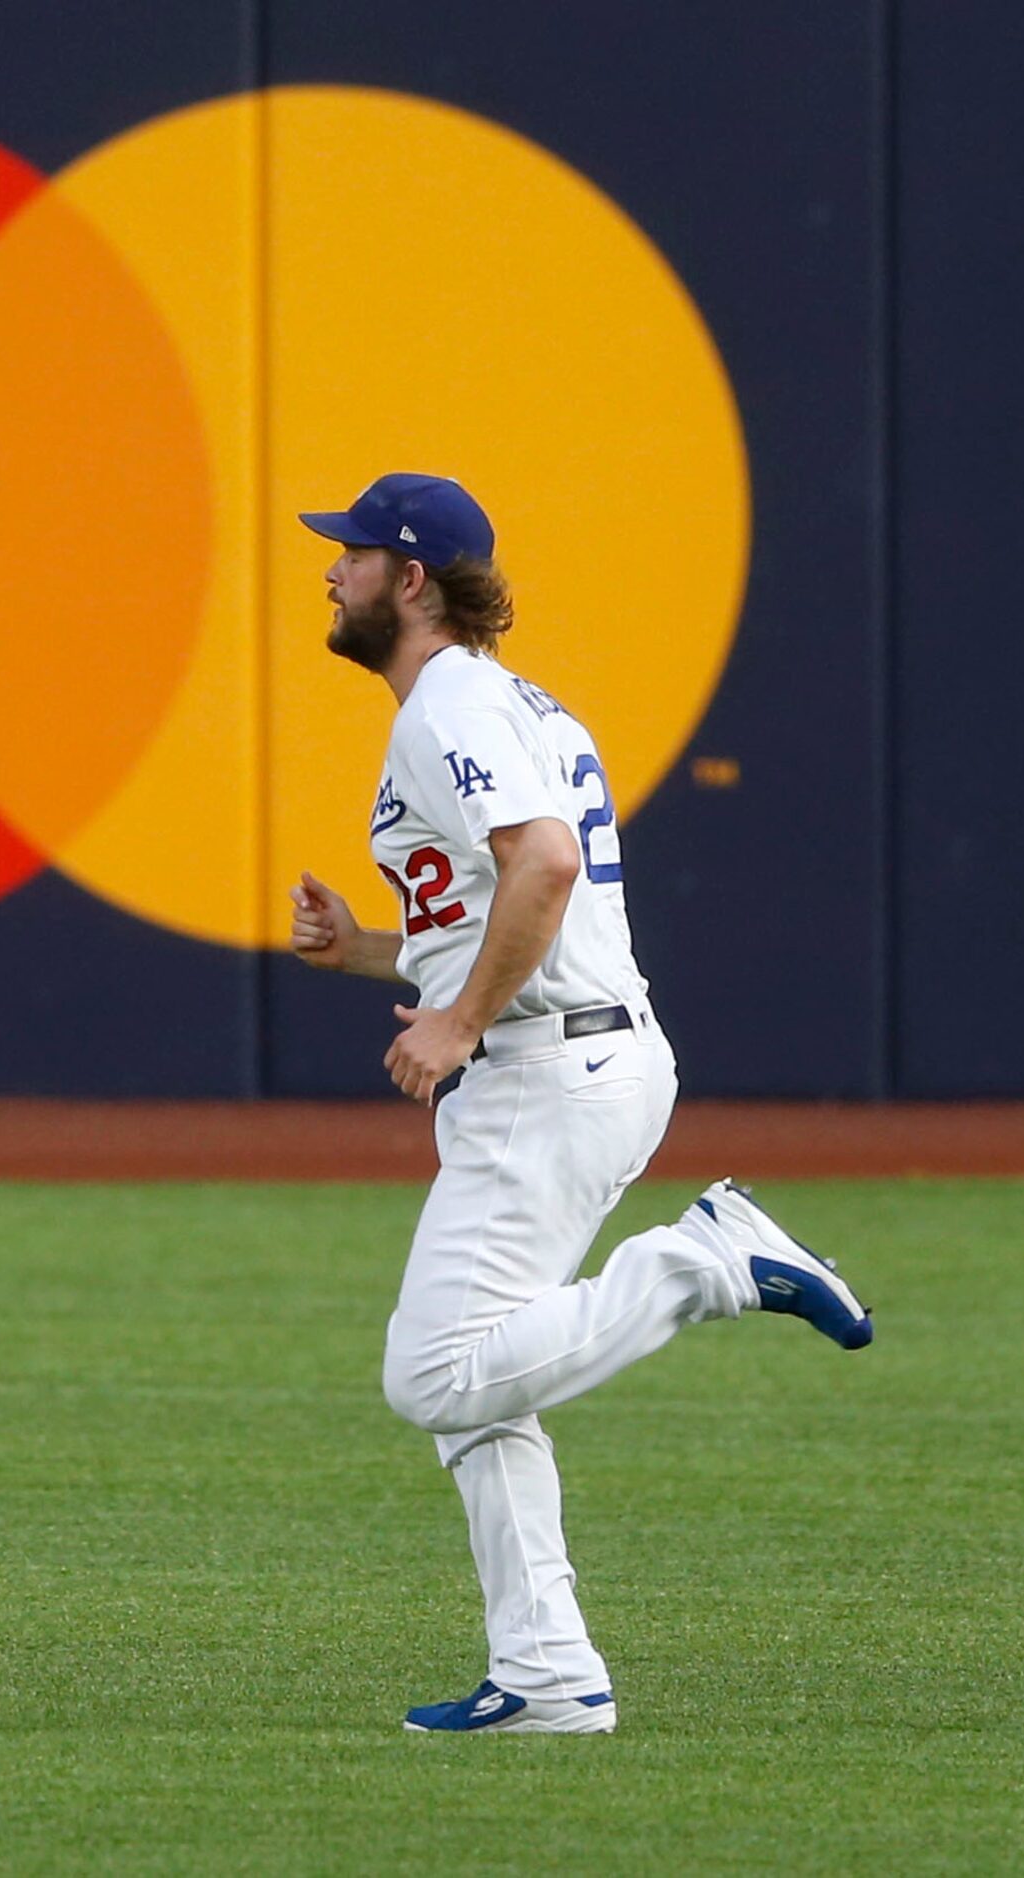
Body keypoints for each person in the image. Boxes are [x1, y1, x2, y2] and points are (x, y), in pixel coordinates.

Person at [286, 472, 873, 1736]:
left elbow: (543, 868)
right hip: (575, 1056)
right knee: (484, 1386)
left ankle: (705, 1263)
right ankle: (547, 1676)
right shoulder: (511, 703)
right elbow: (513, 909)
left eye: (353, 554)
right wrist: (376, 957)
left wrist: (454, 1022)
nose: (330, 571)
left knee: (434, 1373)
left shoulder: (448, 699)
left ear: (413, 581)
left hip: (546, 1075)